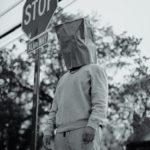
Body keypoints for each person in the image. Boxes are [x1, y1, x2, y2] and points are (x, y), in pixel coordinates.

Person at [43, 18, 108, 150]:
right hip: (60, 134)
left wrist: (92, 125)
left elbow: (101, 101)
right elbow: (54, 108)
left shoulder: (95, 69)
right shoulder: (63, 78)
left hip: (83, 131)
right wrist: (48, 130)